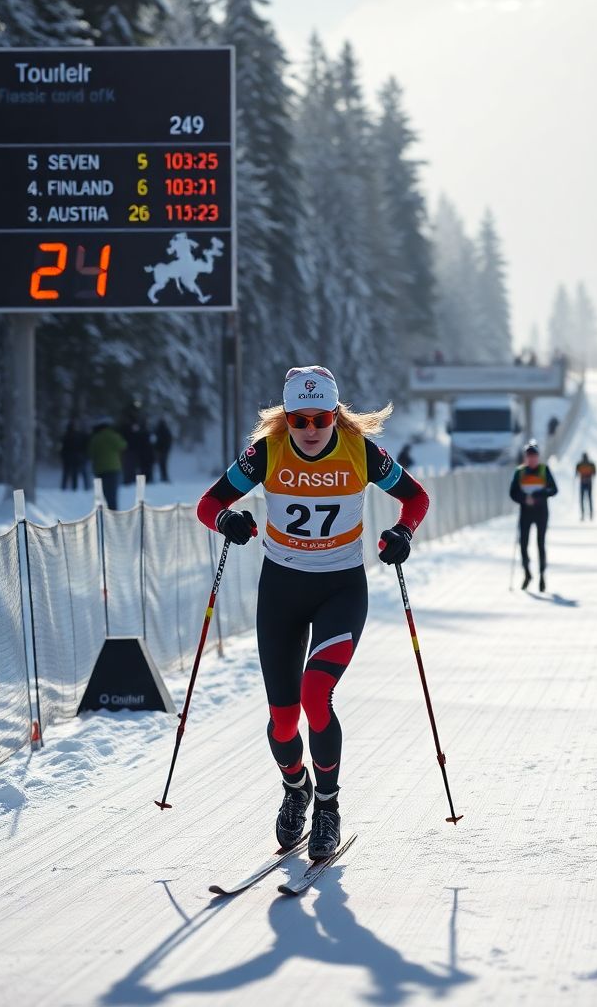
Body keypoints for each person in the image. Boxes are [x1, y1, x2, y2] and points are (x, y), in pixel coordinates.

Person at [196, 365, 429, 861]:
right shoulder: (266, 453)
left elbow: (415, 497)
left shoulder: (359, 451)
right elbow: (209, 501)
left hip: (341, 589)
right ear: (285, 418)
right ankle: (295, 787)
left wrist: (402, 534)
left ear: (335, 414)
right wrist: (226, 518)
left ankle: (327, 806)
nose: (309, 429)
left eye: (319, 417)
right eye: (298, 420)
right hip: (281, 589)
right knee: (283, 722)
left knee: (315, 693)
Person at [509, 440, 558, 592]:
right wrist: (524, 498)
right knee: (523, 544)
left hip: (541, 511)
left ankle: (542, 575)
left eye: (534, 456)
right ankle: (527, 573)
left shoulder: (544, 470)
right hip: (526, 512)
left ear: (538, 457)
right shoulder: (520, 472)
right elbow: (512, 493)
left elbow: (554, 490)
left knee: (540, 544)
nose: (532, 459)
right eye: (529, 456)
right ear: (526, 457)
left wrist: (539, 496)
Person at [88, 417, 127, 510]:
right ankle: (114, 514)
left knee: (104, 494)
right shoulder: (113, 435)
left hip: (100, 470)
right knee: (112, 495)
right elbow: (123, 445)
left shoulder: (95, 438)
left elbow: (90, 453)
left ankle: (108, 514)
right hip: (113, 469)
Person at [60, 419, 89, 490]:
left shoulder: (66, 435)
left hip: (69, 457)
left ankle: (65, 488)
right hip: (77, 457)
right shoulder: (79, 435)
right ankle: (80, 487)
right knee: (76, 473)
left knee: (68, 473)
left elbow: (62, 447)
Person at [575, 452, 596, 521]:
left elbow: (594, 472)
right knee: (587, 499)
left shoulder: (582, 464)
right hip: (586, 483)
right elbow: (594, 473)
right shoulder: (587, 464)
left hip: (586, 483)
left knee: (585, 499)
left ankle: (587, 514)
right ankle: (587, 514)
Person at [154, 415, 173, 483]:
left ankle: (163, 477)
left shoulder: (157, 430)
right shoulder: (166, 430)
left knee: (161, 464)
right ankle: (164, 477)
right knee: (163, 464)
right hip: (163, 450)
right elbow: (169, 440)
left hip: (160, 450)